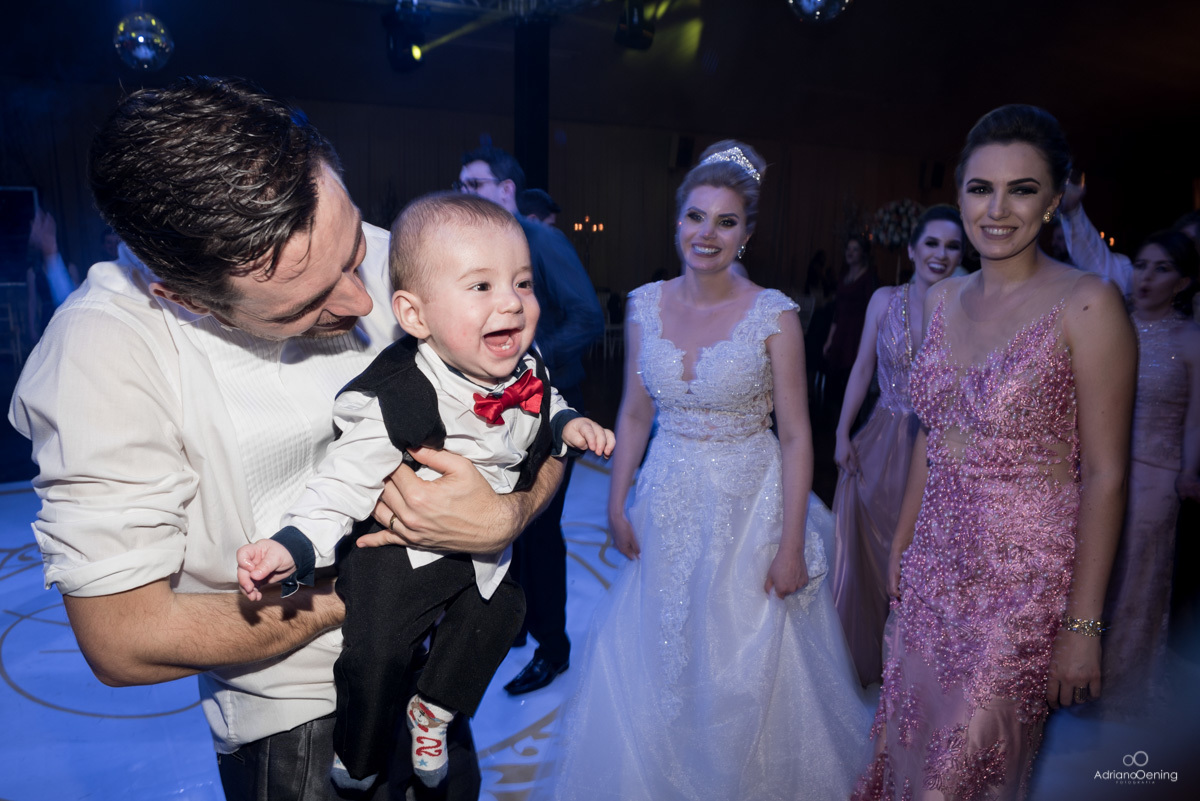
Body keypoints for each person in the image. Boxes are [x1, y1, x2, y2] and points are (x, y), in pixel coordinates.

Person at [7, 77, 564, 801]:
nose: (365, 300)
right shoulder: (101, 354)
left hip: (433, 678)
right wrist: (383, 589)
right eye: (309, 306)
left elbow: (536, 396)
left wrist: (507, 516)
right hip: (300, 728)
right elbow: (123, 637)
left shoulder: (393, 254)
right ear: (183, 296)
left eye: (353, 249)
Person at [235, 192, 614, 790]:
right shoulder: (400, 396)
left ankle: (432, 711)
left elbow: (547, 403)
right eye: (482, 287)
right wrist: (291, 545)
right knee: (378, 653)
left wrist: (568, 424)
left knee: (503, 613)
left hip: (480, 557)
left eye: (521, 282)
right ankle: (357, 755)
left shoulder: (526, 366)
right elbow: (342, 480)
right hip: (401, 560)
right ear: (415, 317)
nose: (512, 302)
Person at [536, 140, 869, 800]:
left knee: (738, 663)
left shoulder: (774, 315)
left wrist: (792, 540)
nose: (706, 234)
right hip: (666, 494)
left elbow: (800, 435)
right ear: (677, 221)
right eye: (695, 216)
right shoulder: (642, 304)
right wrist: (616, 499)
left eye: (724, 221)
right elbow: (634, 413)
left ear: (747, 232)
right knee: (661, 648)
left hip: (750, 507)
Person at [854, 105, 1136, 800]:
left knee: (964, 773)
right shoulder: (940, 298)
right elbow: (932, 430)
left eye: (1023, 189)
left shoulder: (1089, 304)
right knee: (908, 748)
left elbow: (1106, 475)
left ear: (1055, 200)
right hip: (930, 570)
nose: (998, 208)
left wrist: (1083, 624)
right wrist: (904, 540)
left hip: (1022, 587)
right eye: (981, 188)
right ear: (959, 194)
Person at [456, 146, 604, 695]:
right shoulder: (479, 251)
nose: (464, 193)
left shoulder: (542, 241)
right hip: (501, 410)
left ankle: (554, 648)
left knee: (539, 530)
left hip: (552, 407)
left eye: (476, 185)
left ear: (506, 190)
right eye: (461, 183)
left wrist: (526, 367)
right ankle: (515, 628)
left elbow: (588, 316)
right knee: (507, 525)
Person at [830, 205, 964, 686]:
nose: (940, 254)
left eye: (952, 246)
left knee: (924, 556)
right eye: (932, 243)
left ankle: (915, 671)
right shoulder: (884, 301)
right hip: (882, 436)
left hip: (940, 449)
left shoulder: (968, 307)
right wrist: (843, 432)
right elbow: (862, 369)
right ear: (911, 249)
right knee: (866, 549)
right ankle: (865, 661)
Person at [1096, 230, 1199, 718]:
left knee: (1136, 580)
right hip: (1097, 471)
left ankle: (1119, 685)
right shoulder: (1112, 324)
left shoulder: (1192, 341)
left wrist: (1189, 471)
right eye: (1141, 265)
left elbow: (1196, 418)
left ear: (1182, 282)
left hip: (1157, 476)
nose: (1146, 277)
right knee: (1093, 572)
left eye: (1161, 269)